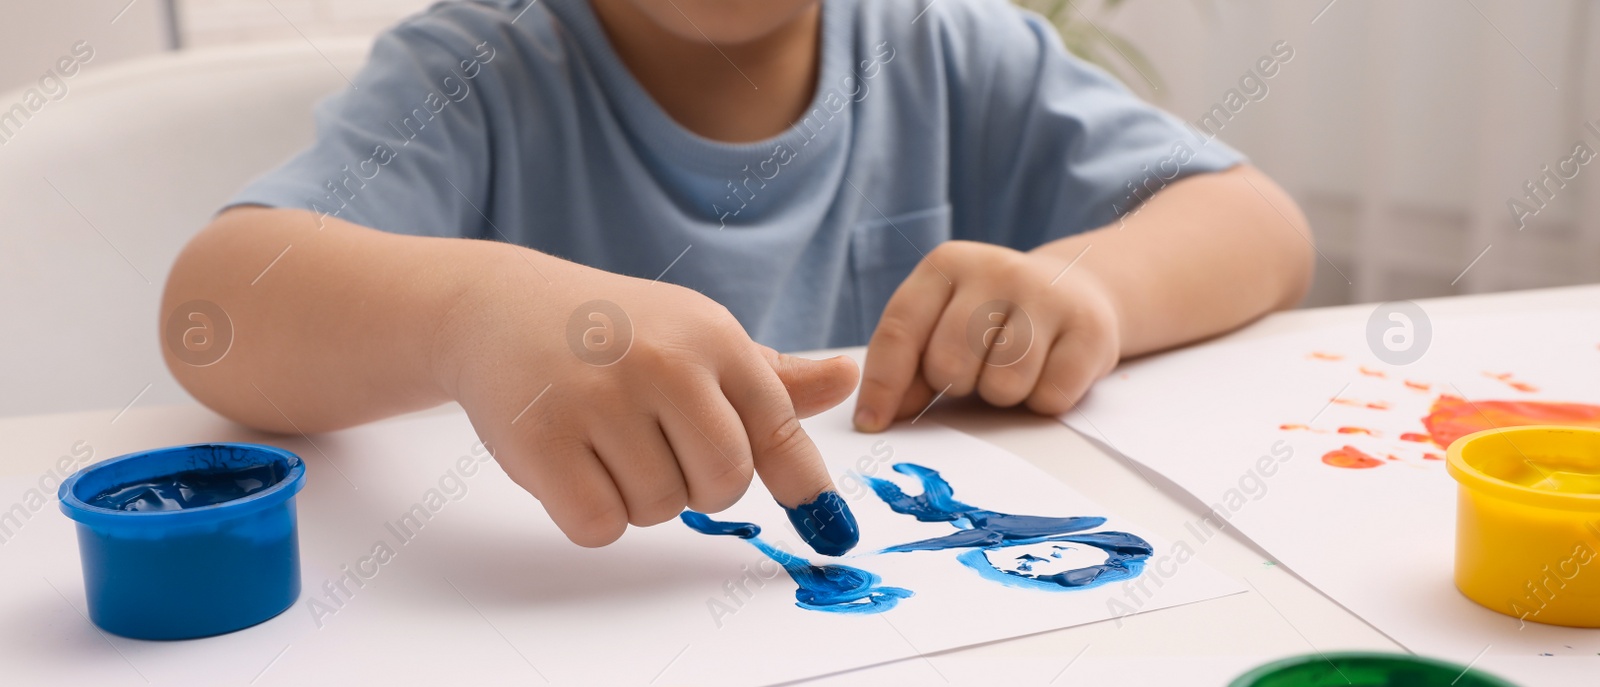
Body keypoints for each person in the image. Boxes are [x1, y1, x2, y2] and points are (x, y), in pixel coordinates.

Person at [160, 0, 1313, 555]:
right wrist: (470, 314)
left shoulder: (951, 48)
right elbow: (212, 309)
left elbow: (1256, 224)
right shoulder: (480, 69)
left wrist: (1094, 289)